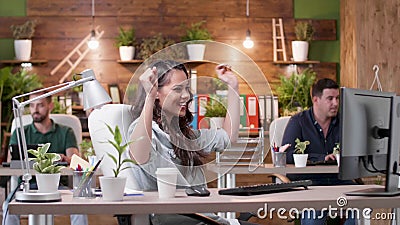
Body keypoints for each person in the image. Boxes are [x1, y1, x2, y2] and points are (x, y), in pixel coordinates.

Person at [128, 60, 257, 225]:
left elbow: (228, 138)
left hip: (205, 220)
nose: (186, 96)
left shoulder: (184, 135)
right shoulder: (143, 131)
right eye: (177, 89)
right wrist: (149, 97)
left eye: (186, 88)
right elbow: (139, 154)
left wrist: (233, 87)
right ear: (156, 92)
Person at [4, 90, 87, 225]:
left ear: (50, 106)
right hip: (26, 187)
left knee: (79, 208)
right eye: (31, 105)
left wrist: (64, 158)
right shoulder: (20, 132)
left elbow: (76, 162)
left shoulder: (66, 131)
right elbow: (10, 162)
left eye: (40, 105)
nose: (35, 110)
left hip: (57, 186)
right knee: (8, 206)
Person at [281, 78, 355, 225]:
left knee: (359, 209)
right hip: (309, 182)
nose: (335, 103)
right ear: (316, 100)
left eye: (337, 98)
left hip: (338, 180)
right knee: (313, 216)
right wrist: (322, 158)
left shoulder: (344, 122)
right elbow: (287, 156)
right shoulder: (298, 122)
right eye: (330, 99)